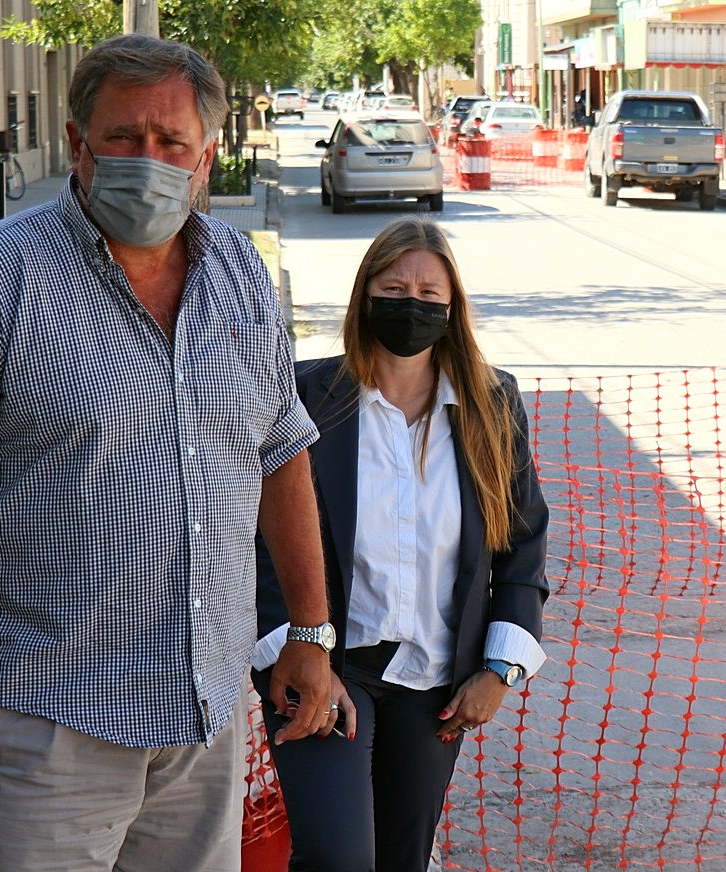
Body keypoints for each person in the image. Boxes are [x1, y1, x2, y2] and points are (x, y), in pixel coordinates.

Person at [0, 34, 330, 872]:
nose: (147, 159)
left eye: (171, 142)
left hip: (205, 717)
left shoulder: (239, 274)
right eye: (122, 138)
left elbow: (280, 448)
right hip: (47, 729)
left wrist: (311, 628)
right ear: (78, 144)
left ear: (207, 156)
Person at [252, 217, 551, 871]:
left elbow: (522, 545)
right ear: (364, 297)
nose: (410, 305)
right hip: (325, 665)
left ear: (452, 309)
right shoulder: (306, 395)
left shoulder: (492, 404)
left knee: (402, 860)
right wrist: (292, 650)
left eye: (428, 294)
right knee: (337, 857)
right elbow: (256, 537)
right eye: (394, 288)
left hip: (436, 682)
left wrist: (500, 671)